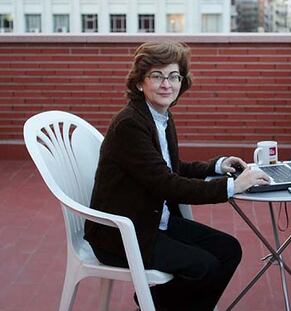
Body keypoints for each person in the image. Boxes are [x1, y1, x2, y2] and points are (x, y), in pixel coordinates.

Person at [84, 41, 269, 311]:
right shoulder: (130, 125)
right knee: (205, 267)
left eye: (173, 76)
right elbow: (167, 184)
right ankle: (159, 304)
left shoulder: (160, 116)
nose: (166, 84)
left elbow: (170, 168)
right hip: (124, 235)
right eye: (156, 76)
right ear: (139, 83)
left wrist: (217, 166)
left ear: (182, 81)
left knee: (229, 250)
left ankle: (157, 303)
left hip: (154, 221)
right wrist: (232, 186)